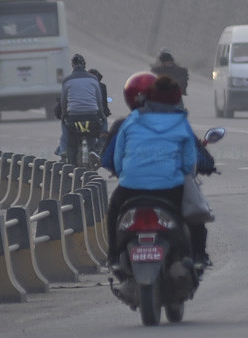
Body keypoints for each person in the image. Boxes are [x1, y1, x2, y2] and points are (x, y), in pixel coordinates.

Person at [106, 74, 211, 271]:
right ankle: (199, 255)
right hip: (170, 188)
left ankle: (112, 256)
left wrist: (126, 175)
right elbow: (189, 163)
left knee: (113, 210)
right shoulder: (180, 122)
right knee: (194, 214)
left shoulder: (132, 120)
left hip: (131, 187)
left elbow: (118, 159)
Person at [55, 54, 106, 158]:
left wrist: (64, 114)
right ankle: (97, 148)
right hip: (92, 116)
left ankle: (64, 149)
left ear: (72, 65)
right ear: (84, 65)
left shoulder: (67, 80)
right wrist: (101, 114)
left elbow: (64, 102)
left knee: (66, 125)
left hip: (74, 117)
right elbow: (99, 100)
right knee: (101, 124)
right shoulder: (93, 79)